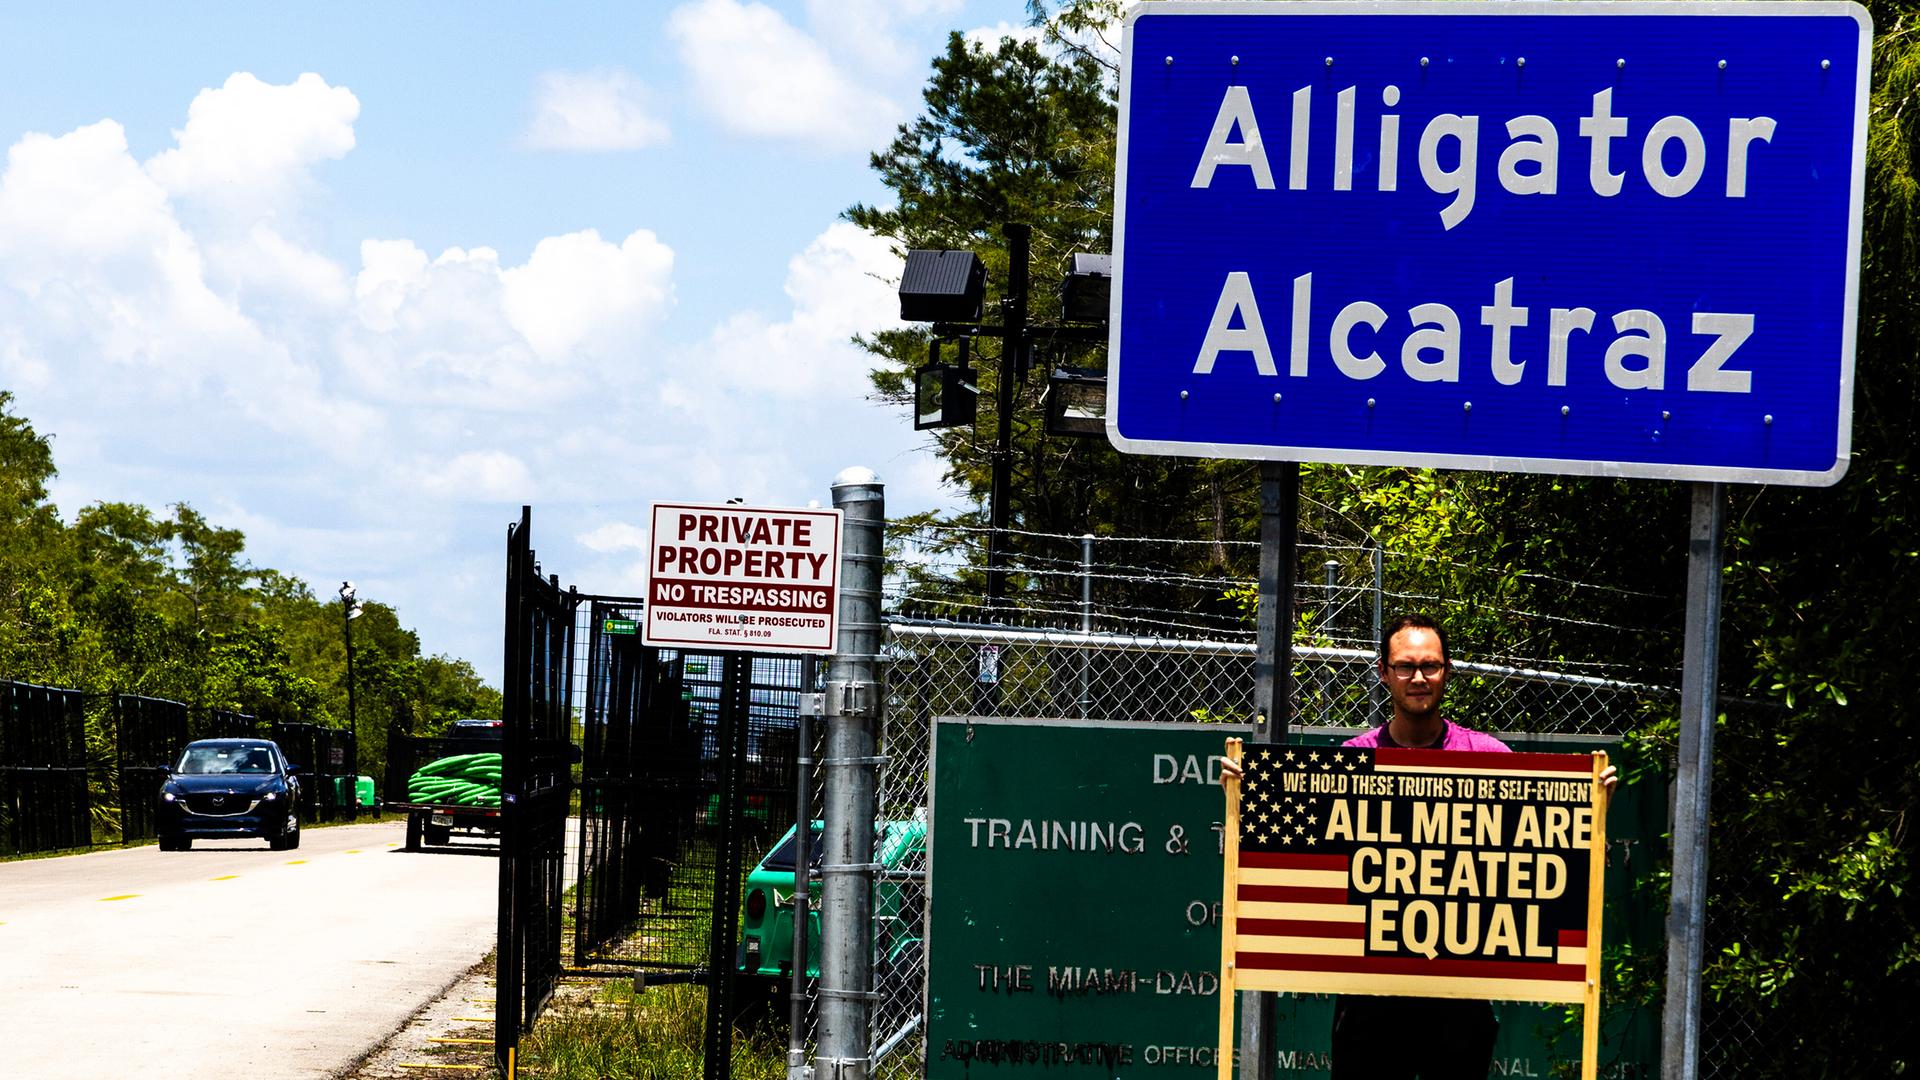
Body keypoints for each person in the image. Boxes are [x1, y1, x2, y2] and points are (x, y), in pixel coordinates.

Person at [1220, 614, 1617, 1079]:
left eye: (1430, 665)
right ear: (1384, 673)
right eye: (1405, 666)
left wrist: (1591, 817)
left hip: (1460, 996)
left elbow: (1570, 867)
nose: (1418, 677)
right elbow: (1278, 865)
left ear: (1446, 672)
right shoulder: (1353, 760)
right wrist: (1243, 805)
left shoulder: (1489, 760)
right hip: (1369, 996)